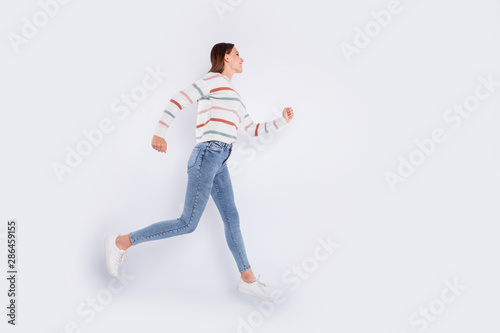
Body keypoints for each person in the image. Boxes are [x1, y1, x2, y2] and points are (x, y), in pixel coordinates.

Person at [104, 42, 294, 302]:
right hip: (207, 154)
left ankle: (247, 279)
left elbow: (251, 128)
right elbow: (177, 100)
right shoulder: (212, 81)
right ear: (225, 57)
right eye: (237, 54)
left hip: (221, 158)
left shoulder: (234, 95)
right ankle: (121, 241)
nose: (242, 58)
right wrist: (159, 133)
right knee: (188, 222)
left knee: (232, 219)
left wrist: (282, 121)